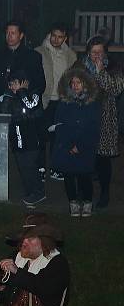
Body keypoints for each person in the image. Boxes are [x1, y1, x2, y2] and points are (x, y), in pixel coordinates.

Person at [79, 36, 124, 209]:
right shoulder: (80, 67)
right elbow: (71, 87)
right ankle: (85, 194)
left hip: (105, 119)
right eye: (93, 52)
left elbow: (116, 88)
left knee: (102, 159)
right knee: (85, 157)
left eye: (100, 51)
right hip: (85, 118)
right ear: (88, 53)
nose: (97, 55)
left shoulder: (113, 67)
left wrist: (100, 73)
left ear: (105, 52)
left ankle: (105, 193)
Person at [51, 68, 101, 216]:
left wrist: (80, 146)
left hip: (85, 147)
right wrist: (69, 145)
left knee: (85, 176)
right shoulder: (64, 103)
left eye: (78, 82)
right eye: (72, 82)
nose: (75, 85)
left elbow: (93, 127)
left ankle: (87, 202)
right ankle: (72, 201)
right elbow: (59, 125)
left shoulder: (91, 104)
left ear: (85, 84)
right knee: (69, 176)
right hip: (67, 146)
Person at [35, 23, 77, 181]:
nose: (56, 39)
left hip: (61, 100)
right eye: (54, 35)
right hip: (44, 99)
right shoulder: (39, 52)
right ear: (49, 34)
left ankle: (56, 168)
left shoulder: (70, 55)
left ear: (65, 38)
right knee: (40, 134)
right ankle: (40, 168)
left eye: (60, 37)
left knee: (58, 136)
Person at [0, 69, 46, 207]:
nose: (12, 86)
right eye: (10, 84)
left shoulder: (34, 94)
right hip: (17, 141)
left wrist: (22, 92)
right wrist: (8, 95)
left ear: (24, 83)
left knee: (30, 166)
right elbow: (4, 113)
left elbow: (30, 106)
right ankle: (30, 193)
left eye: (14, 83)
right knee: (22, 167)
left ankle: (38, 192)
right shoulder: (9, 97)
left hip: (32, 140)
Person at [0, 21, 46, 114]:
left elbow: (40, 83)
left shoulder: (33, 57)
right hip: (3, 107)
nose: (9, 36)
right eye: (7, 33)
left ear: (21, 35)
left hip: (26, 109)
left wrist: (24, 87)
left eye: (13, 33)